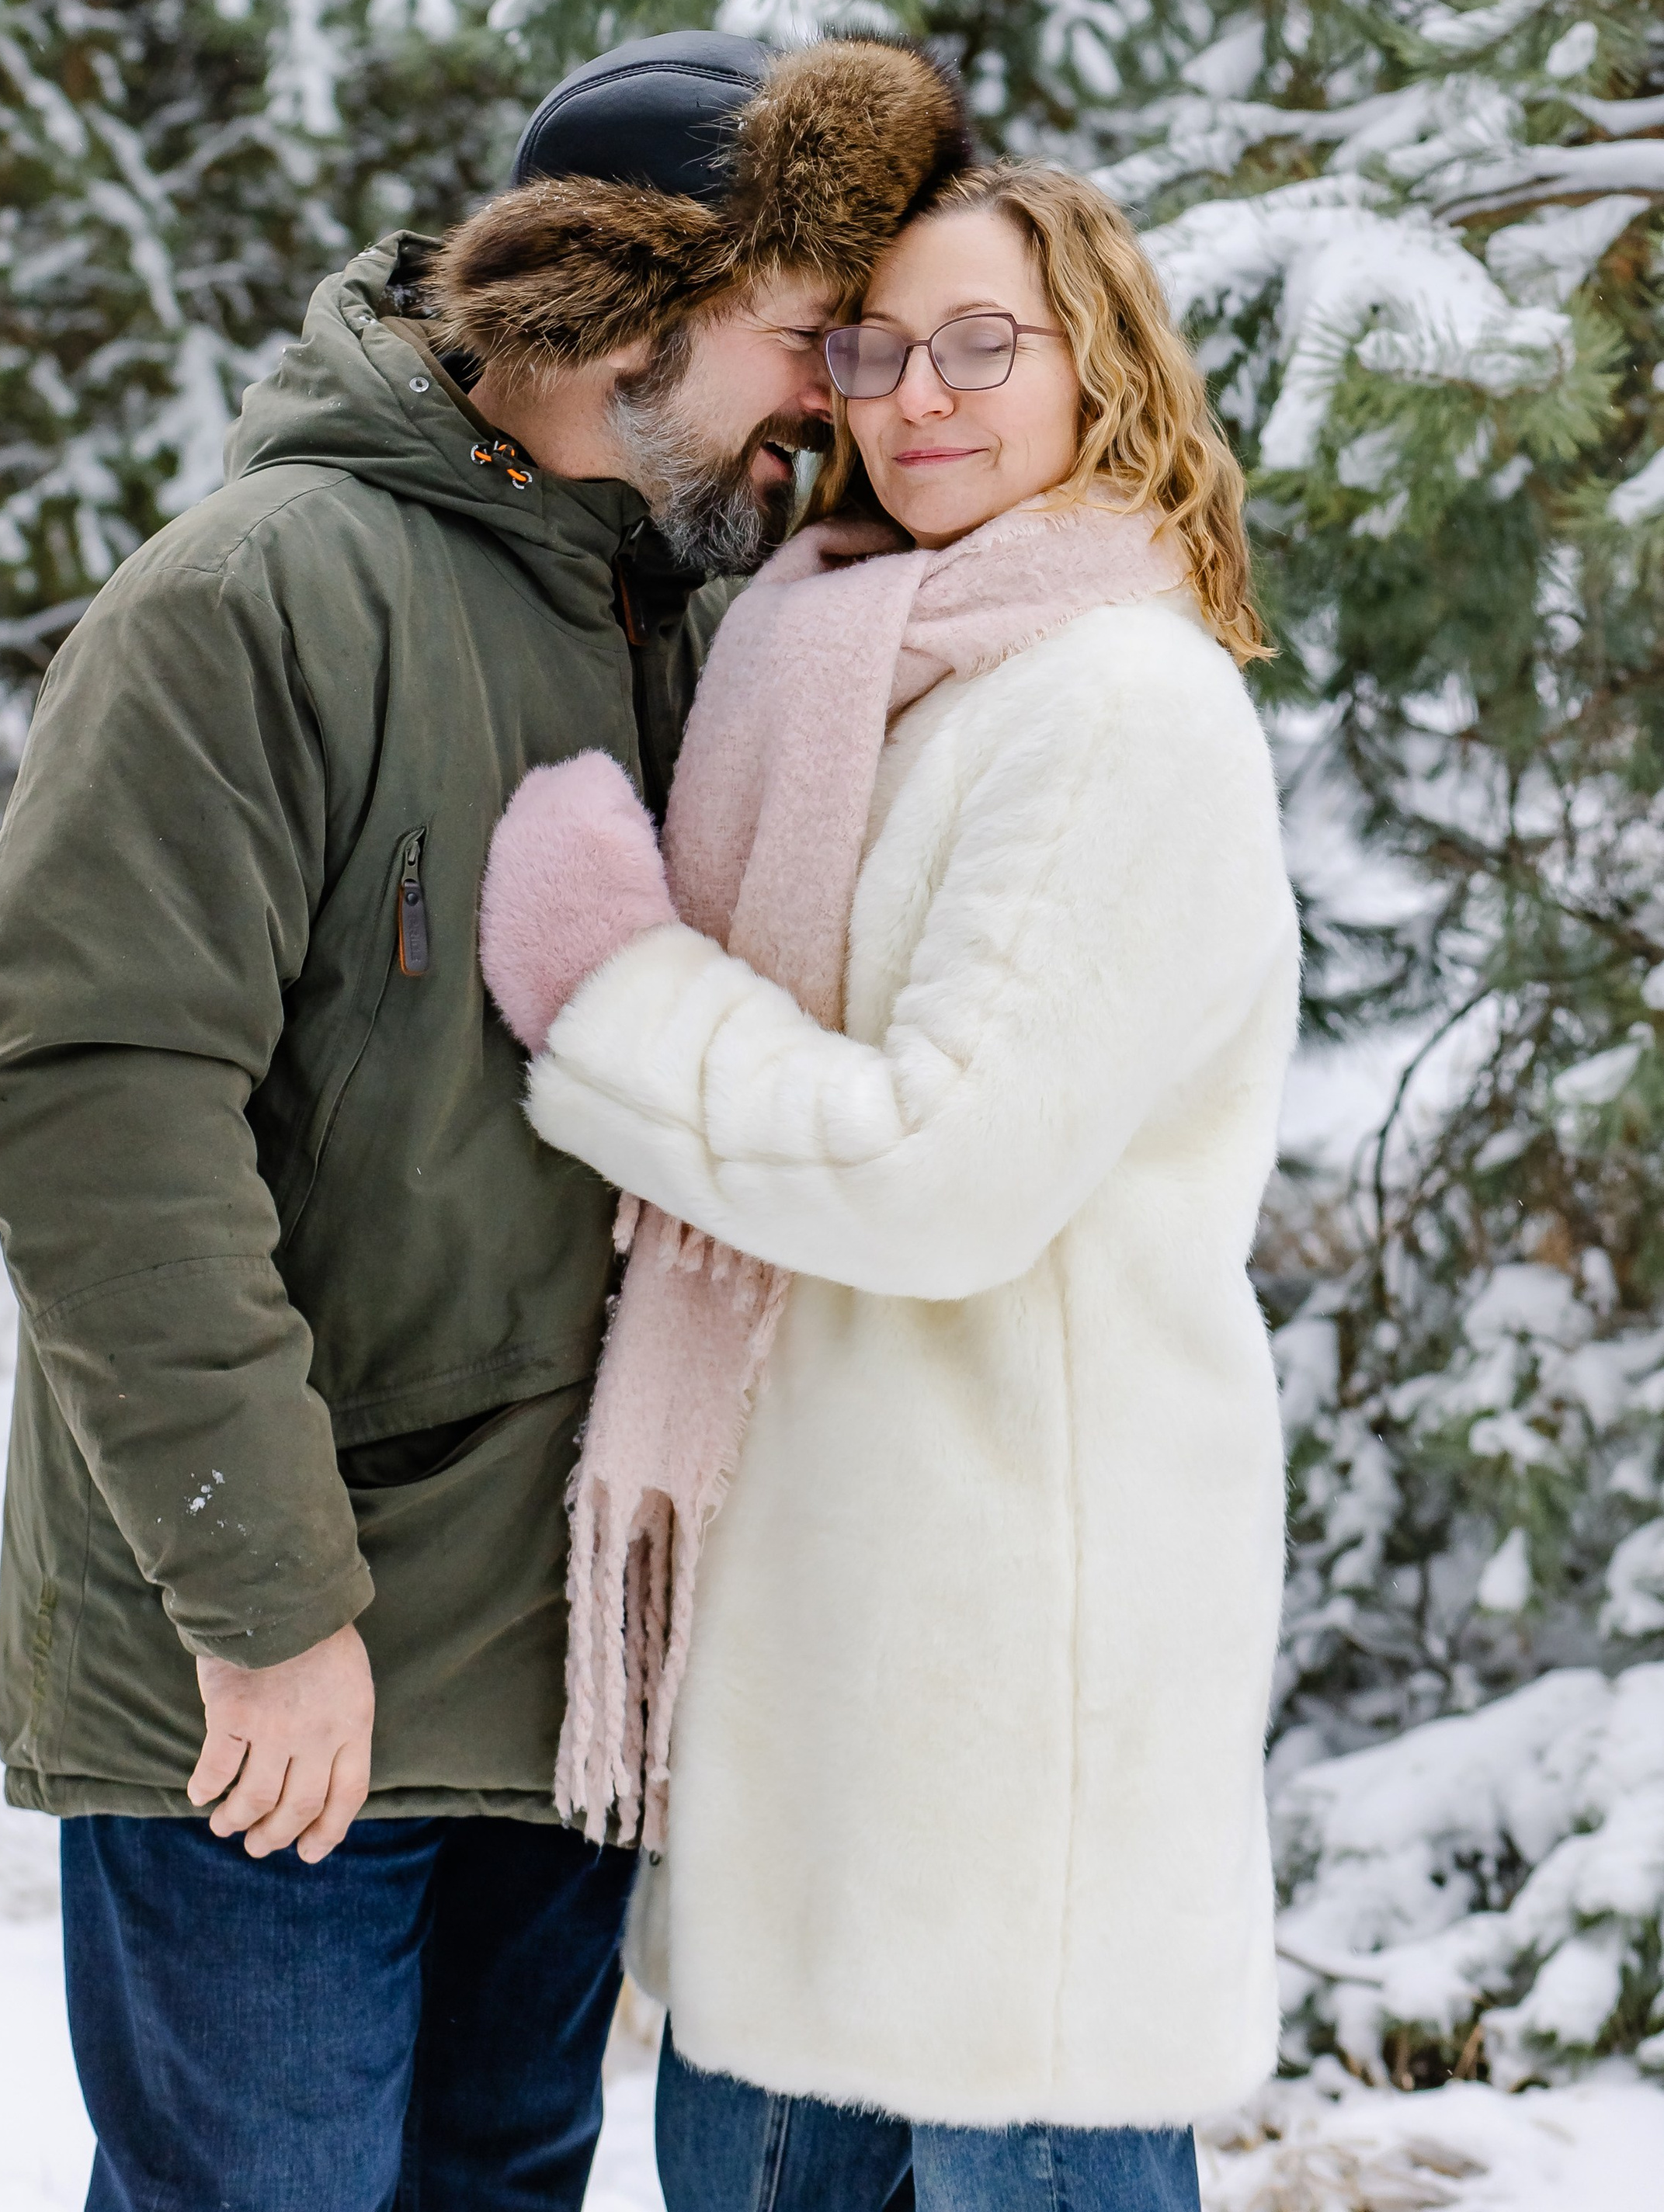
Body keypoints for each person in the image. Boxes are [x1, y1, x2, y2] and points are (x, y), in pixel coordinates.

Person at [0, 26, 974, 2211]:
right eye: (810, 334)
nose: (841, 397)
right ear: (621, 297)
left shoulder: (688, 617)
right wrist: (265, 1598)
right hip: (282, 1672)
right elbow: (88, 1099)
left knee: (498, 2181)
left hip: (557, 1669)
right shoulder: (253, 599)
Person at [478, 162, 1300, 2212]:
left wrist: (611, 994)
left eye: (980, 346)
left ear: (1097, 365)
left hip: (1000, 1695)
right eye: (875, 349)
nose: (917, 396)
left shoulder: (1116, 704)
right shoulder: (846, 656)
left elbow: (936, 1168)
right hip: (823, 1688)